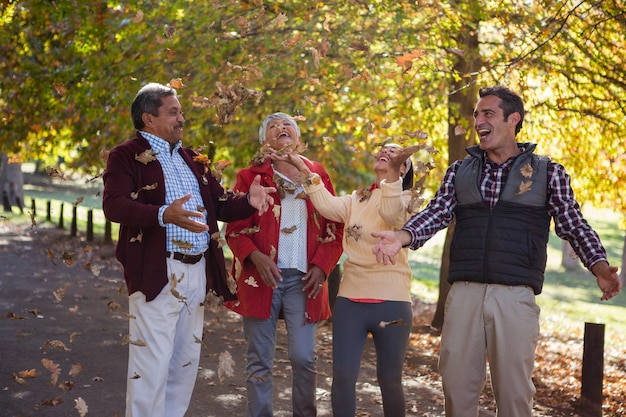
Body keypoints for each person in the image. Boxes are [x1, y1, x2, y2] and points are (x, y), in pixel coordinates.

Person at [372, 85, 623, 417]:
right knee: (457, 390)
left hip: (515, 297)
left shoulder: (548, 172)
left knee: (514, 396)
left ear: (513, 119)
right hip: (463, 294)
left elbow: (573, 223)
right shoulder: (460, 171)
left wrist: (599, 266)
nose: (479, 121)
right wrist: (403, 235)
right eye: (476, 115)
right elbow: (437, 213)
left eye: (487, 113)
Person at [102, 82, 275, 417]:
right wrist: (163, 214)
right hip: (157, 272)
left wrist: (249, 202)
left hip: (196, 271)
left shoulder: (192, 157)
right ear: (149, 118)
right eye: (173, 112)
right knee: (150, 366)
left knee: (183, 365)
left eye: (181, 111)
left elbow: (220, 203)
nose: (182, 118)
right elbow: (114, 206)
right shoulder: (125, 155)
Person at [274, 141, 422, 417]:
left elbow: (390, 214)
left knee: (389, 380)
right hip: (351, 303)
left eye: (394, 153)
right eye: (383, 150)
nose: (384, 153)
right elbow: (327, 206)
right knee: (342, 377)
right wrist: (302, 168)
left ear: (404, 167)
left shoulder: (407, 200)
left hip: (393, 303)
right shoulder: (358, 199)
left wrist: (392, 177)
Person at [224, 112, 343, 417]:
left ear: (298, 138)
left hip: (304, 280)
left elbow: (335, 227)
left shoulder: (316, 173)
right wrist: (255, 256)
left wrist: (321, 266)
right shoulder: (249, 177)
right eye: (273, 126)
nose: (281, 128)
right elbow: (235, 230)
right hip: (260, 279)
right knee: (259, 359)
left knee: (304, 357)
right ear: (265, 142)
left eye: (287, 124)